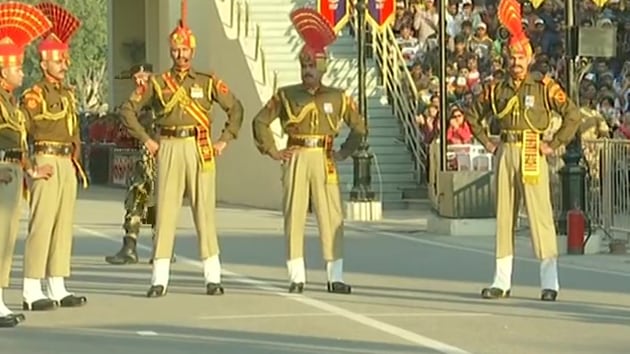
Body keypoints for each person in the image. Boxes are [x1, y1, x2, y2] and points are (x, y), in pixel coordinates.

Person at [119, 0, 244, 297]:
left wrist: (225, 139)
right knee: (164, 213)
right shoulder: (157, 83)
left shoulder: (208, 81)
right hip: (169, 146)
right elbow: (127, 110)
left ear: (193, 51)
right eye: (175, 50)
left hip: (200, 146)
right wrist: (148, 141)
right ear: (170, 51)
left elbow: (236, 108)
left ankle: (212, 277)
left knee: (205, 213)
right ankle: (159, 279)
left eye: (185, 50)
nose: (180, 55)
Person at [465, 0, 581, 302]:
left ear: (529, 58)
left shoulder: (542, 86)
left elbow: (573, 115)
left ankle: (550, 282)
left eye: (521, 56)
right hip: (505, 149)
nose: (516, 61)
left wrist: (553, 144)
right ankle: (501, 281)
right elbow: (472, 114)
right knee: (504, 216)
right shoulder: (497, 88)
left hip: (532, 149)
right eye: (512, 56)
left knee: (540, 216)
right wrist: (488, 143)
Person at [251, 8, 366, 294]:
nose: (307, 72)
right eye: (304, 67)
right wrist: (273, 151)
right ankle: (296, 276)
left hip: (325, 157)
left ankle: (334, 276)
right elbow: (260, 121)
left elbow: (360, 127)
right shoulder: (287, 95)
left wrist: (344, 152)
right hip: (296, 155)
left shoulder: (338, 97)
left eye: (312, 67)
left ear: (322, 68)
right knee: (294, 213)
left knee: (331, 216)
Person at [20, 1, 88, 311]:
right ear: (45, 63)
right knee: (42, 224)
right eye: (59, 60)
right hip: (45, 159)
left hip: (66, 162)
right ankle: (31, 288)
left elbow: (73, 130)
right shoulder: (33, 95)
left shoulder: (67, 93)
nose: (64, 64)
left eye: (64, 59)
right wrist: (29, 165)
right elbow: (23, 131)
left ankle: (57, 284)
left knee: (63, 224)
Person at [0, 1, 54, 326]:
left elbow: (18, 141)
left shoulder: (13, 103)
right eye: (16, 67)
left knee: (7, 238)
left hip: (13, 170)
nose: (22, 71)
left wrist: (32, 169)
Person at [105, 65, 175, 265]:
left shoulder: (160, 95)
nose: (139, 82)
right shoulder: (137, 100)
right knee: (136, 199)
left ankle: (162, 248)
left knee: (160, 201)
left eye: (143, 77)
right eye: (135, 78)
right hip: (143, 154)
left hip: (161, 152)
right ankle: (130, 246)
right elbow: (126, 118)